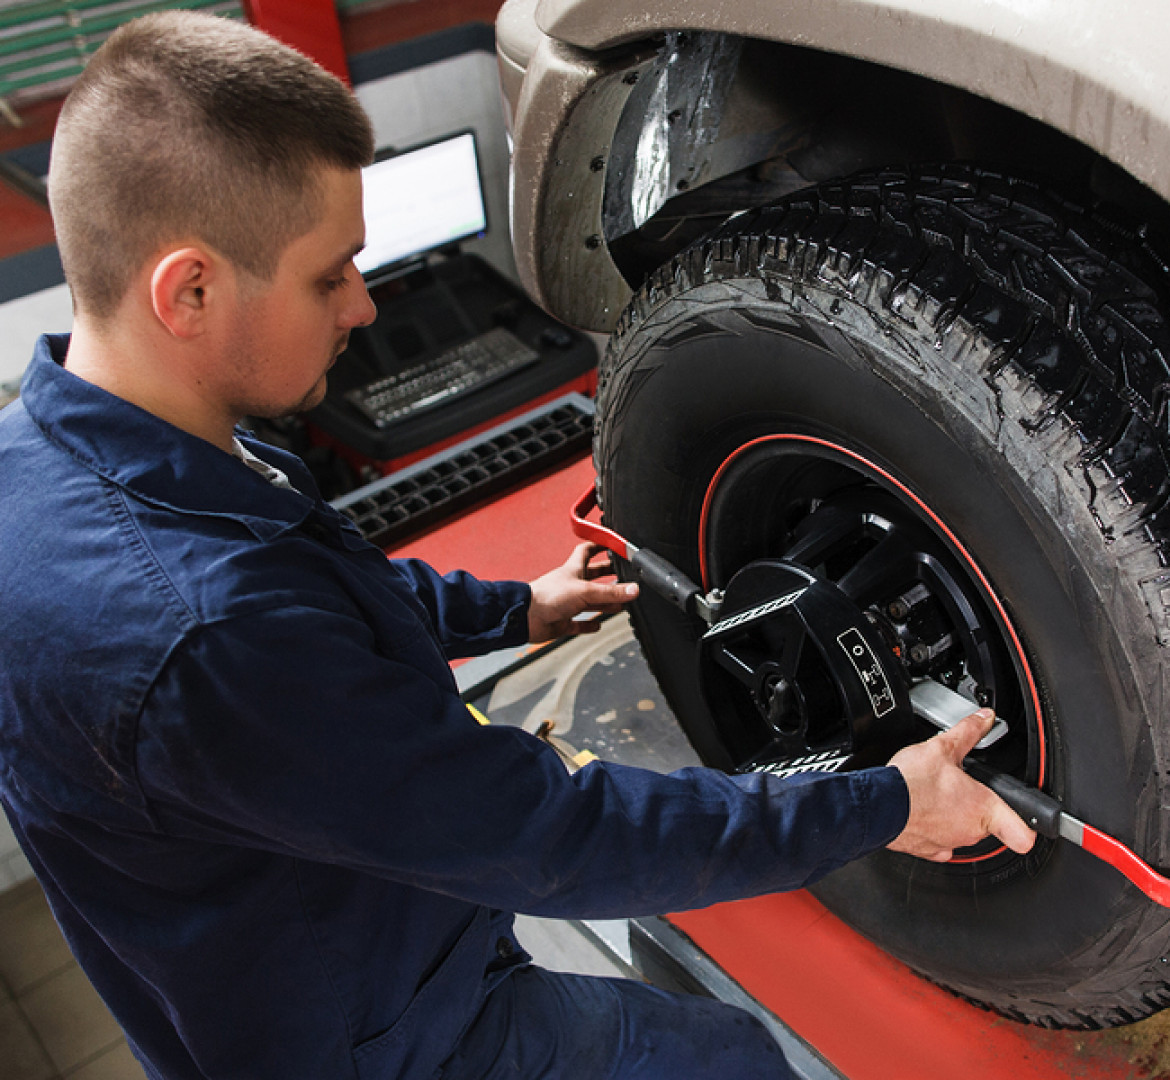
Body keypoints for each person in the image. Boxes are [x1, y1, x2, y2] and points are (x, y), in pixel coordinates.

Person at [0, 12, 1035, 1079]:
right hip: (377, 1037)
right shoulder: (203, 639)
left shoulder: (49, 456)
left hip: (277, 955)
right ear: (189, 290)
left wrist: (504, 608)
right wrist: (879, 805)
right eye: (330, 275)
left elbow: (309, 587)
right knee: (725, 1059)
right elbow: (554, 836)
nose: (362, 305)